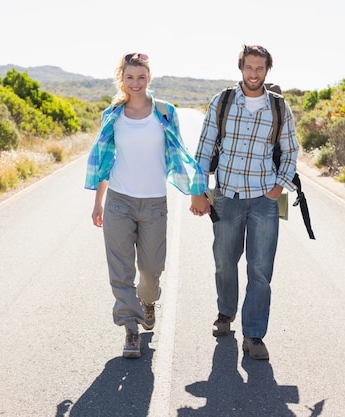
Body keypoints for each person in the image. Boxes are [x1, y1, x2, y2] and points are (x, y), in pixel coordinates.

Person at [85, 52, 207, 359]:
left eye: (141, 77)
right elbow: (104, 161)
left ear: (149, 78)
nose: (135, 83)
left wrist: (195, 190)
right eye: (130, 77)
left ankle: (148, 300)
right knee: (120, 270)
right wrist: (98, 202)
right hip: (119, 202)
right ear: (121, 79)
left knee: (151, 270)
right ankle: (130, 330)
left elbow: (180, 154)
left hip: (154, 203)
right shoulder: (112, 113)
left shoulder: (164, 112)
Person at [190, 45, 300, 360]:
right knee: (224, 262)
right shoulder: (222, 102)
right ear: (241, 68)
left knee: (260, 269)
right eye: (249, 67)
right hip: (226, 196)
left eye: (259, 68)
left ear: (267, 70)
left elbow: (291, 151)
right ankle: (225, 313)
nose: (254, 73)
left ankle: (254, 335)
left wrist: (278, 188)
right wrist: (199, 190)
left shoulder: (279, 107)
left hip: (264, 200)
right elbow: (204, 147)